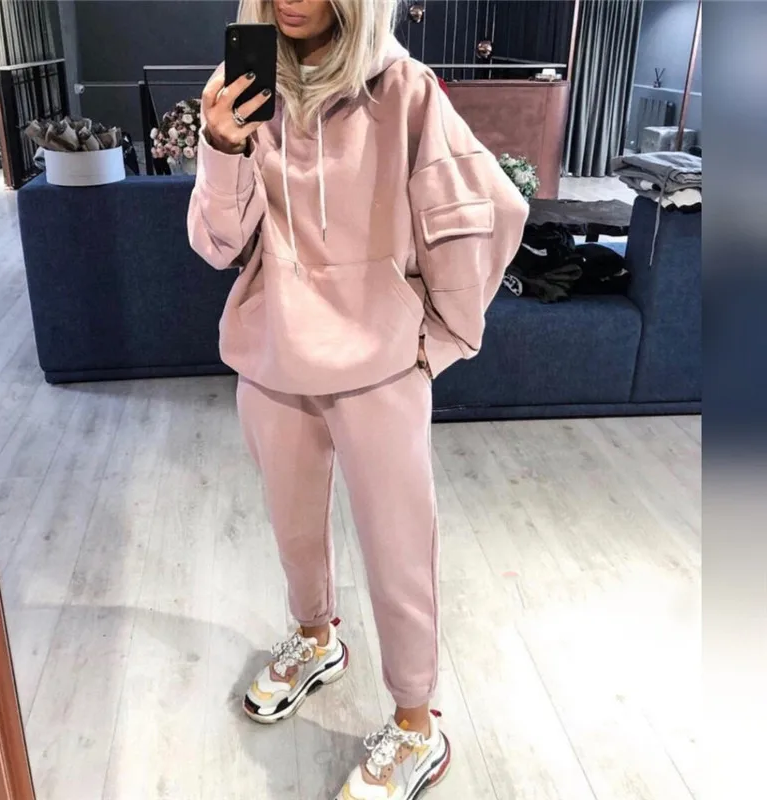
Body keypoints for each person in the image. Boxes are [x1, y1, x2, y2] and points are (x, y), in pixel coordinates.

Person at [188, 1, 528, 797]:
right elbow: (215, 243)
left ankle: (416, 723)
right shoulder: (242, 90)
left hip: (380, 365)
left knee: (399, 547)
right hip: (273, 353)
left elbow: (485, 209)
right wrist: (221, 146)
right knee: (292, 525)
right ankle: (316, 639)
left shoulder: (404, 89)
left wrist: (442, 335)